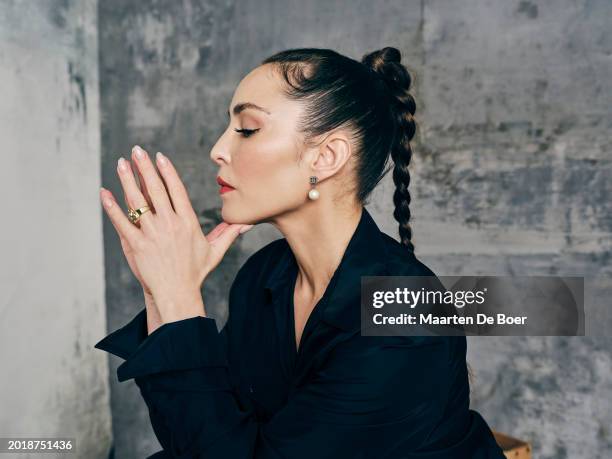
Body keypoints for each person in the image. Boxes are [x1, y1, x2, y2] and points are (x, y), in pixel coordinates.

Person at [95, 47, 506, 458]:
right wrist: (160, 289)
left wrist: (179, 297)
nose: (218, 150)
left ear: (326, 157)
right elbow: (206, 432)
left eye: (247, 128)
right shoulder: (265, 276)